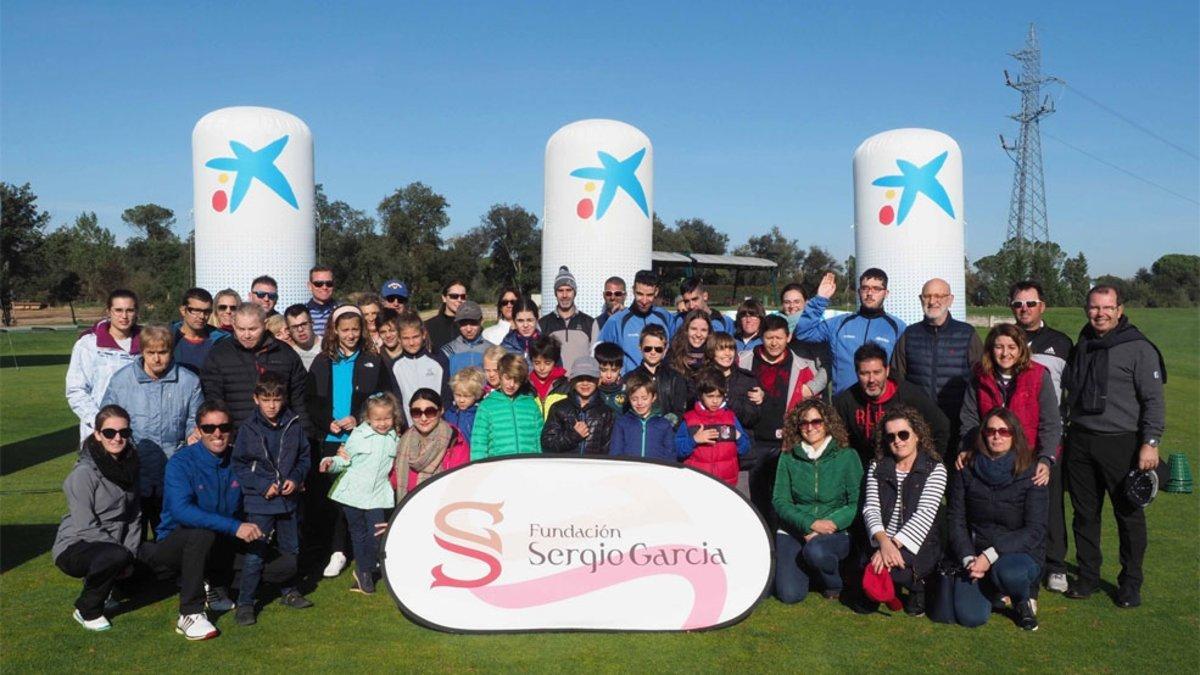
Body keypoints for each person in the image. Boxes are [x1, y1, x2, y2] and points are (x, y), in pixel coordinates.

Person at [1062, 285, 1166, 607]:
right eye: (1094, 307)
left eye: (1107, 308)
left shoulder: (1138, 347)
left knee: (1128, 516)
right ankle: (1089, 576)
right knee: (1085, 514)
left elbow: (1153, 401)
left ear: (1119, 310)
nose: (1100, 313)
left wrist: (1150, 443)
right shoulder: (1083, 343)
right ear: (1086, 309)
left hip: (1122, 442)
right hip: (1080, 440)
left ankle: (1130, 583)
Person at [138, 403, 264, 641]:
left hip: (221, 541)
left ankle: (215, 585)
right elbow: (182, 511)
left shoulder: (237, 459)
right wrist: (235, 527)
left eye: (224, 427)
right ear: (198, 430)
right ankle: (190, 612)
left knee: (282, 566)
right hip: (177, 542)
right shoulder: (180, 462)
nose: (217, 433)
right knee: (201, 533)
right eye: (209, 428)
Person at [305, 305, 396, 579]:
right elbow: (312, 400)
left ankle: (370, 553)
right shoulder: (323, 361)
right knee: (337, 500)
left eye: (355, 329)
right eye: (345, 330)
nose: (351, 334)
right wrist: (327, 423)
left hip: (364, 439)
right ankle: (338, 551)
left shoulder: (372, 358)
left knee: (364, 499)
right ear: (335, 330)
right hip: (333, 440)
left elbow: (383, 396)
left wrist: (359, 419)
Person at [946, 408, 1047, 631]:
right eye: (991, 430)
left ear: (1015, 434)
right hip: (975, 551)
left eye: (1004, 431)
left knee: (1009, 573)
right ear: (982, 434)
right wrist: (967, 557)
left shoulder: (1032, 470)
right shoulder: (966, 467)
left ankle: (1022, 601)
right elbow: (956, 519)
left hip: (1018, 552)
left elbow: (1035, 530)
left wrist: (989, 556)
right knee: (970, 617)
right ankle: (993, 589)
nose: (997, 436)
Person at [101, 325, 202, 532]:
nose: (157, 359)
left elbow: (195, 423)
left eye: (162, 352)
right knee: (132, 535)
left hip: (173, 473)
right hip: (133, 473)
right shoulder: (121, 381)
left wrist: (192, 439)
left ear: (171, 351)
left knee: (168, 535)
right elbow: (108, 423)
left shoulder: (189, 382)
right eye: (151, 353)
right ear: (142, 352)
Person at [231, 372, 312, 624]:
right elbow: (240, 465)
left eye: (277, 399)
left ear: (284, 399)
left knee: (291, 549)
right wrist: (263, 484)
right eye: (266, 400)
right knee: (256, 553)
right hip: (260, 502)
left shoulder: (294, 424)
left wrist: (296, 479)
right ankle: (246, 602)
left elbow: (304, 458)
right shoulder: (248, 428)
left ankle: (289, 590)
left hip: (288, 501)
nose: (272, 405)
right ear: (256, 399)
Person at [1008, 279, 1073, 592]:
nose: (1024, 309)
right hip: (1009, 441)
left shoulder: (1060, 343)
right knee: (1014, 503)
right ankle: (1020, 558)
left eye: (1030, 303)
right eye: (1019, 304)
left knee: (1050, 502)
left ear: (1042, 306)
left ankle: (1056, 564)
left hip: (1047, 436)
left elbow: (1072, 391)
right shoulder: (1004, 340)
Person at [52, 405, 140, 632]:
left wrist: (131, 554)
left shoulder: (130, 466)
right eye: (110, 432)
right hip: (75, 545)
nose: (117, 438)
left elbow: (134, 516)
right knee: (114, 556)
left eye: (124, 432)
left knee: (152, 562)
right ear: (98, 435)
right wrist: (122, 553)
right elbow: (85, 527)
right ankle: (87, 610)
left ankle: (112, 585)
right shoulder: (82, 474)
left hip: (114, 546)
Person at [771, 400, 863, 603]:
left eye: (816, 421)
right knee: (789, 595)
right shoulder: (788, 457)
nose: (810, 427)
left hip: (833, 531)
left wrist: (829, 525)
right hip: (794, 529)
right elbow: (780, 501)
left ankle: (834, 583)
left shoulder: (847, 456)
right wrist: (809, 524)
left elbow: (856, 502)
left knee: (817, 551)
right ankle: (812, 570)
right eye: (804, 423)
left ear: (827, 422)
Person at [739, 315, 826, 523]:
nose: (774, 343)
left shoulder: (804, 367)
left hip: (788, 442)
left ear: (788, 337)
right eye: (769, 338)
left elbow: (817, 405)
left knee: (786, 501)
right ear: (762, 337)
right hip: (755, 441)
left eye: (779, 338)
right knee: (757, 503)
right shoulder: (743, 360)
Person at [861, 407, 948, 616]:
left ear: (917, 435)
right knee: (874, 568)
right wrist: (883, 542)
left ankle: (917, 586)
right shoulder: (876, 467)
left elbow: (924, 515)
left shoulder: (935, 469)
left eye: (903, 434)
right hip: (884, 538)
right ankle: (888, 585)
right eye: (891, 436)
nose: (897, 441)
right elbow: (870, 508)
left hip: (917, 540)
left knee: (892, 569)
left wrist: (894, 546)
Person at [319, 393, 401, 595]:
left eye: (387, 419)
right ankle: (364, 574)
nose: (382, 424)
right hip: (353, 493)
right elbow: (344, 460)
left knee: (375, 536)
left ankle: (368, 568)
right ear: (368, 419)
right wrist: (330, 462)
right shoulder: (358, 435)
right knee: (358, 534)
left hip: (377, 494)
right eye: (378, 419)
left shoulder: (396, 438)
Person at [889, 278, 982, 446]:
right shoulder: (909, 335)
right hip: (918, 426)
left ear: (950, 299)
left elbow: (981, 379)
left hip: (957, 424)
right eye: (927, 296)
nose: (932, 301)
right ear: (920, 299)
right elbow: (896, 379)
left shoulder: (967, 334)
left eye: (939, 295)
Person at [793, 268, 906, 394]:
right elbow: (803, 333)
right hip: (843, 404)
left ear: (886, 293)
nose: (869, 293)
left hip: (881, 405)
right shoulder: (839, 323)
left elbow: (903, 369)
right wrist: (820, 299)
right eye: (865, 288)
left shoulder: (897, 327)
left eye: (876, 289)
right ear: (859, 292)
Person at [200, 303, 309, 432]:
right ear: (233, 325)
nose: (246, 335)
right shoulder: (219, 355)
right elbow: (213, 400)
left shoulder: (285, 354)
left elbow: (300, 401)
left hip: (280, 436)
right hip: (237, 437)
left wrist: (305, 435)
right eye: (241, 329)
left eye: (252, 329)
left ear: (265, 324)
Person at [833, 344, 949, 464]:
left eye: (877, 372)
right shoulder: (846, 401)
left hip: (904, 468)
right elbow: (834, 438)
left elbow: (942, 427)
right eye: (864, 373)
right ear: (856, 373)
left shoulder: (909, 395)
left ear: (887, 370)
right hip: (865, 469)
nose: (871, 380)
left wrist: (929, 463)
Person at [67, 289, 143, 440]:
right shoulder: (88, 344)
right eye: (118, 310)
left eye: (130, 310)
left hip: (138, 432)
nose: (124, 316)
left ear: (136, 312)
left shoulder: (147, 343)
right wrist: (101, 423)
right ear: (109, 311)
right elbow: (76, 390)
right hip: (100, 433)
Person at [394, 388, 471, 503]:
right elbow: (393, 480)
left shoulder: (454, 441)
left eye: (430, 412)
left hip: (442, 507)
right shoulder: (404, 440)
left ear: (441, 411)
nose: (423, 418)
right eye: (416, 412)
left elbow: (460, 483)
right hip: (407, 508)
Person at [675, 371, 751, 486]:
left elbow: (745, 449)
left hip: (726, 484)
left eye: (719, 396)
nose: (715, 401)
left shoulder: (730, 418)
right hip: (697, 482)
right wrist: (694, 440)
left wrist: (738, 437)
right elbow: (678, 450)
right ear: (701, 395)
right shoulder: (690, 419)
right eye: (710, 396)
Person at [598, 269, 675, 374]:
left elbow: (676, 350)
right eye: (639, 294)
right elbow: (599, 354)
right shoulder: (616, 320)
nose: (644, 300)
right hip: (629, 385)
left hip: (661, 385)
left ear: (656, 291)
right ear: (633, 290)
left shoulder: (665, 317)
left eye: (649, 295)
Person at [470, 353, 544, 460]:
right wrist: (478, 469)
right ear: (500, 375)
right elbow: (479, 444)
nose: (511, 384)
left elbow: (539, 440)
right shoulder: (487, 406)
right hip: (498, 468)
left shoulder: (531, 404)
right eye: (508, 378)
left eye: (517, 380)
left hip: (528, 466)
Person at [542, 356, 615, 455]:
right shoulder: (558, 408)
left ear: (598, 381)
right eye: (580, 379)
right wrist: (573, 436)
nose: (585, 383)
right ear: (572, 381)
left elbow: (608, 450)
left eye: (590, 379)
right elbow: (547, 443)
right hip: (565, 467)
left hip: (594, 468)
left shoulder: (606, 413)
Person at [390, 311, 451, 427]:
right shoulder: (395, 366)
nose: (411, 343)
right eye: (406, 338)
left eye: (415, 337)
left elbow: (446, 395)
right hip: (409, 427)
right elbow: (397, 399)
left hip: (437, 425)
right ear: (398, 338)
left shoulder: (439, 361)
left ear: (423, 334)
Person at [539, 266, 600, 370]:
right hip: (554, 384)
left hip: (582, 383)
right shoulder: (543, 324)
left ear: (574, 292)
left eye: (568, 290)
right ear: (555, 293)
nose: (564, 295)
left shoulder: (590, 323)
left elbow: (596, 358)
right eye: (560, 290)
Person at [626, 325, 689, 425]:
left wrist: (664, 429)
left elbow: (679, 411)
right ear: (640, 347)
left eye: (658, 349)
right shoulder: (629, 378)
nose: (653, 352)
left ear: (665, 349)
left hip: (668, 433)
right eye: (648, 349)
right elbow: (626, 411)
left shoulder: (676, 377)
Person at [608, 372, 675, 461]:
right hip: (629, 472)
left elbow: (670, 455)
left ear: (653, 397)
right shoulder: (622, 423)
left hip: (655, 472)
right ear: (629, 398)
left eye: (644, 398)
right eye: (634, 399)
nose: (639, 403)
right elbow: (615, 453)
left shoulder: (664, 424)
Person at [172, 288, 227, 374]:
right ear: (183, 311)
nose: (202, 316)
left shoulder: (222, 341)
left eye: (207, 311)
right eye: (196, 311)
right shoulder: (168, 339)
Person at [442, 300, 489, 376]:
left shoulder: (491, 349)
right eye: (463, 324)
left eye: (473, 323)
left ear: (481, 321)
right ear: (457, 324)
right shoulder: (448, 351)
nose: (469, 329)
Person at [528, 336, 570, 417]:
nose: (542, 368)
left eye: (547, 363)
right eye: (537, 363)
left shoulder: (566, 386)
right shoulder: (526, 386)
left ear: (555, 361)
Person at [667, 309, 714, 381]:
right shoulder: (673, 355)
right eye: (694, 329)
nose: (698, 334)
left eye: (703, 330)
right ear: (686, 330)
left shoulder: (713, 356)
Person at [426, 279, 469, 352]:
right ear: (444, 298)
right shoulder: (428, 326)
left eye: (463, 296)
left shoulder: (471, 326)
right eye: (454, 296)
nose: (459, 300)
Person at [445, 367, 484, 443]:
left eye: (466, 396)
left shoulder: (478, 415)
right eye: (458, 395)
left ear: (476, 395)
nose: (461, 400)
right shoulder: (449, 414)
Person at [500, 298, 542, 362]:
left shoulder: (548, 345)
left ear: (537, 319)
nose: (525, 325)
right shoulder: (505, 347)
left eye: (530, 320)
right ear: (514, 321)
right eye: (520, 321)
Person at [283, 304, 321, 370]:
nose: (300, 330)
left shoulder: (328, 347)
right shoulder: (288, 354)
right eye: (294, 327)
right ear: (288, 330)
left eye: (304, 324)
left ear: (312, 323)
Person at [594, 342, 628, 414]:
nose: (609, 376)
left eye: (614, 370)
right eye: (603, 370)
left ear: (620, 368)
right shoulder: (590, 391)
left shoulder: (627, 391)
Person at [305, 267, 337, 339]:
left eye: (329, 283)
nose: (324, 287)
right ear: (309, 286)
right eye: (318, 284)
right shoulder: (302, 313)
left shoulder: (342, 310)